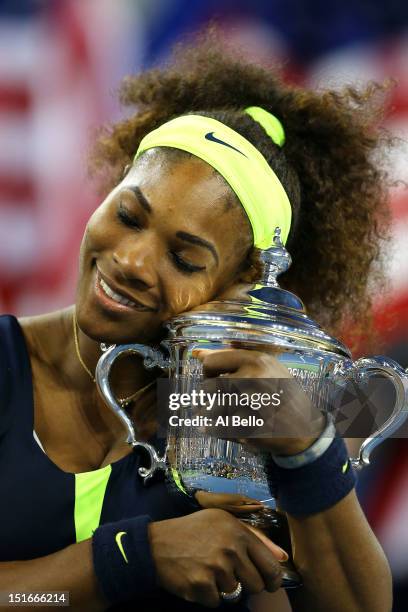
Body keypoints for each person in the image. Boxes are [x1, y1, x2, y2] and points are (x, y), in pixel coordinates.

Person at [0, 32, 394, 611]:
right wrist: (134, 559)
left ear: (243, 286)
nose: (132, 261)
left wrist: (310, 452)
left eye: (184, 258)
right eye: (128, 215)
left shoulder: (235, 417)